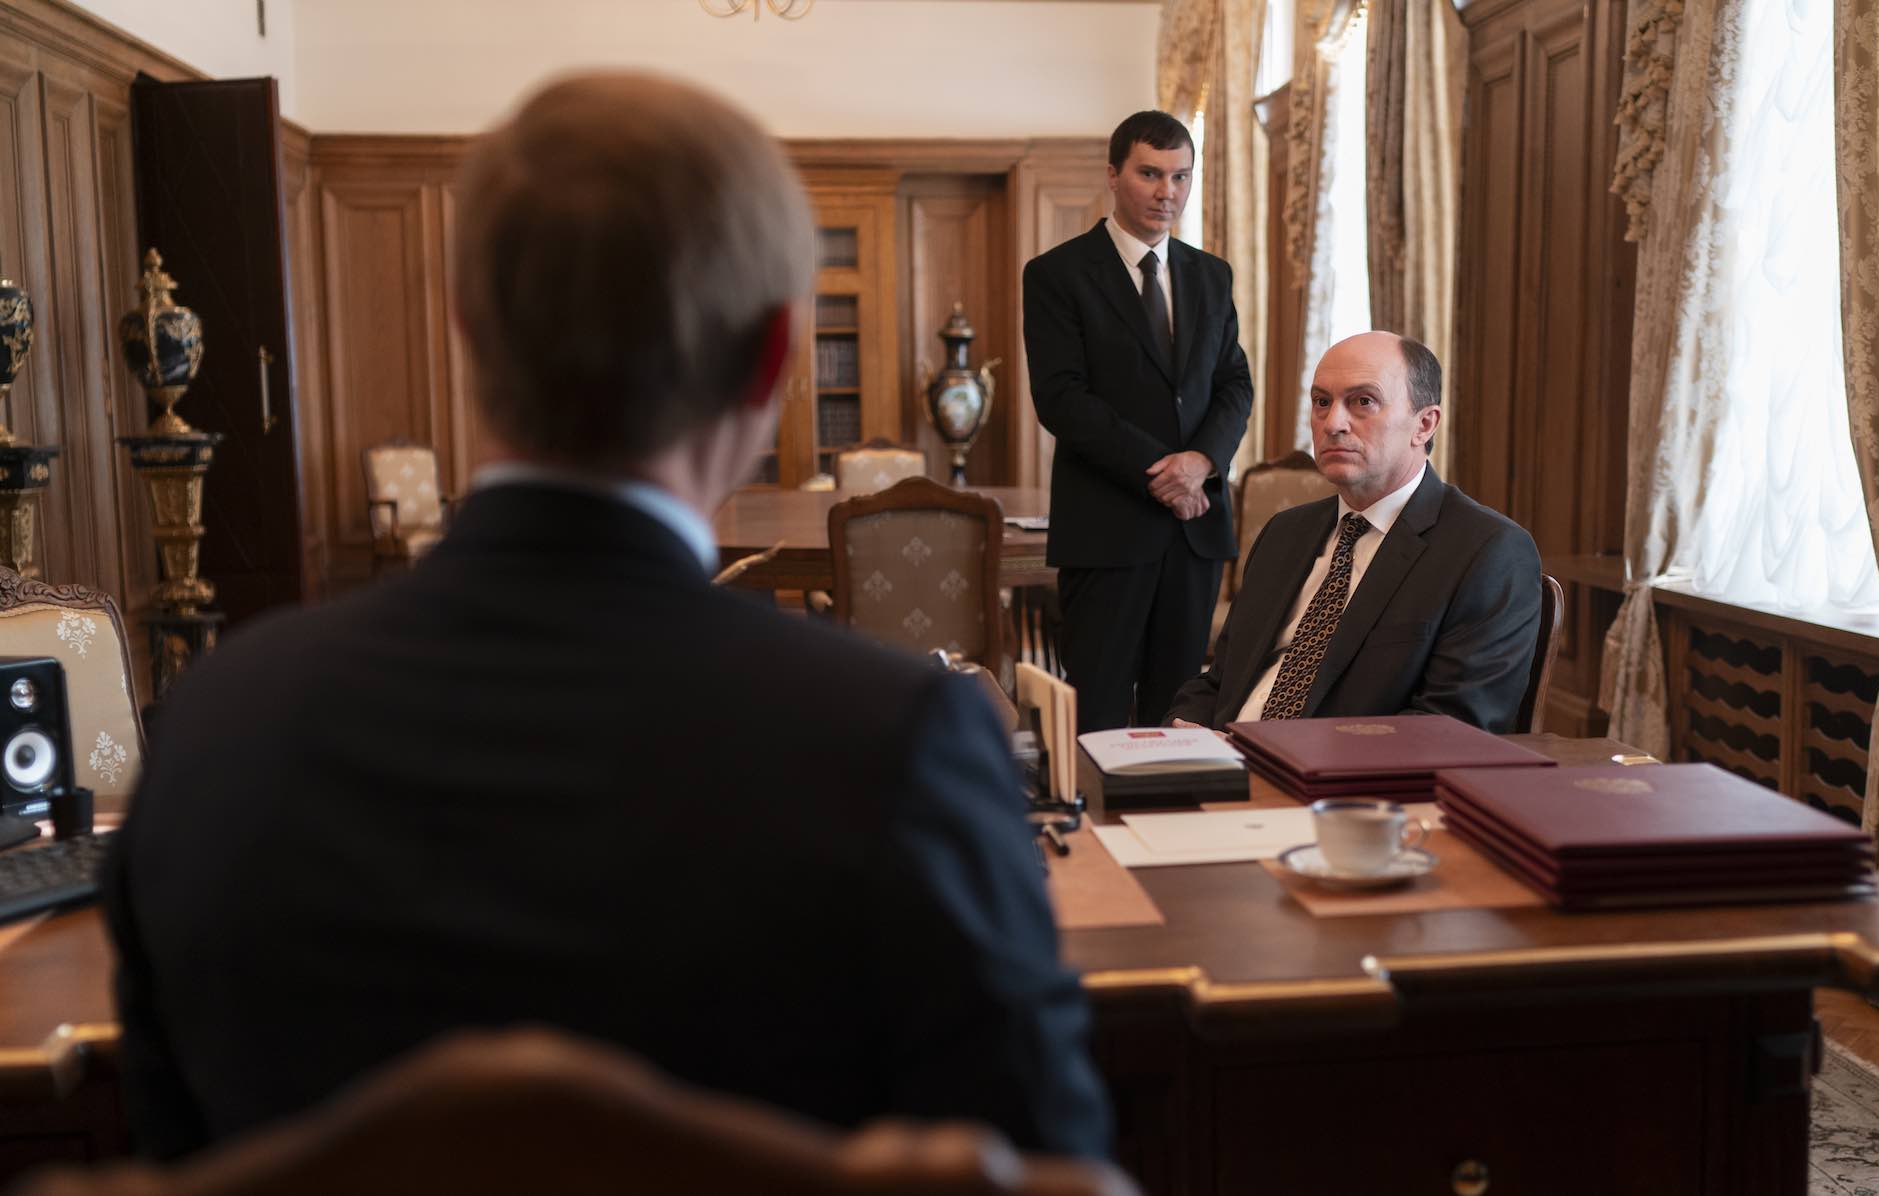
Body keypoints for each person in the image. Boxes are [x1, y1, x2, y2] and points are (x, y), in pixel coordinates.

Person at [102, 72, 1110, 1162]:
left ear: (468, 330)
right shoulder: (900, 745)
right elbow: (1049, 1168)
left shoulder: (215, 727)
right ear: (773, 359)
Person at [1165, 332, 1540, 732]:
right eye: (1322, 402)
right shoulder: (1284, 533)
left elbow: (1450, 728)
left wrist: (1269, 755)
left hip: (1338, 770)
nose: (1333, 424)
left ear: (1424, 424)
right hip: (1217, 759)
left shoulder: (1488, 551)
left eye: (1363, 401)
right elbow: (1218, 681)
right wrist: (1182, 733)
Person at [1022, 110, 1253, 732]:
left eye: (1180, 176)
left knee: (1178, 712)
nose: (1166, 192)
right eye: (1150, 174)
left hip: (1194, 530)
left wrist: (1201, 463)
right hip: (1107, 528)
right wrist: (1163, 474)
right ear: (1113, 175)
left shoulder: (1211, 275)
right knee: (1096, 714)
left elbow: (1234, 383)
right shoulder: (1057, 274)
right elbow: (1061, 398)